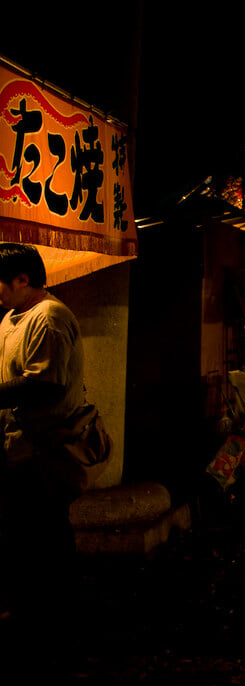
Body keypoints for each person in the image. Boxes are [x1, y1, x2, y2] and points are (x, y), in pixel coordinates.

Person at [0, 243, 89, 670]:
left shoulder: (50, 318)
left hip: (46, 448)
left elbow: (46, 384)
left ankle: (57, 625)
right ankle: (30, 612)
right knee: (22, 534)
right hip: (19, 448)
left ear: (22, 280)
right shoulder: (11, 318)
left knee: (46, 535)